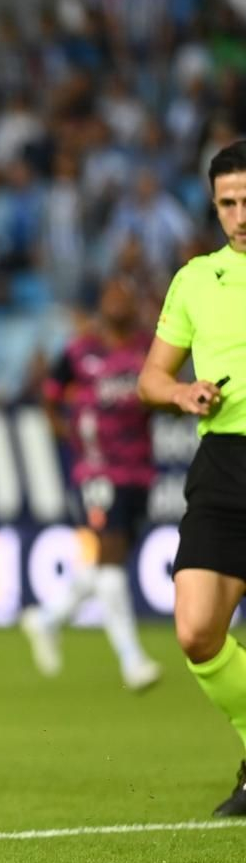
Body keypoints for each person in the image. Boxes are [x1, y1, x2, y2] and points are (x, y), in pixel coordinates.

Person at [138, 139, 246, 817]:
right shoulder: (195, 279)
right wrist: (183, 395)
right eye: (228, 204)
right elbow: (150, 377)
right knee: (196, 631)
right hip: (224, 468)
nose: (240, 215)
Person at [21, 279, 161, 691]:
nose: (118, 302)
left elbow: (162, 395)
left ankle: (47, 618)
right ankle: (132, 661)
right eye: (111, 296)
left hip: (140, 469)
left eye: (125, 296)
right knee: (111, 557)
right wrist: (65, 432)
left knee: (107, 564)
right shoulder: (80, 350)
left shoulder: (148, 349)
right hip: (97, 470)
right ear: (101, 304)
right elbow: (49, 393)